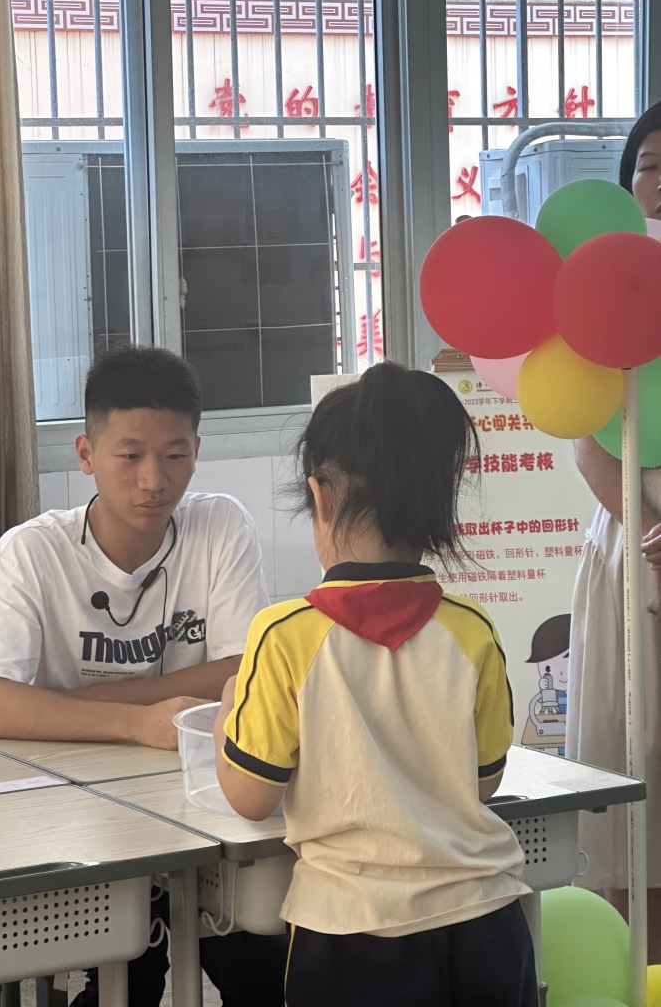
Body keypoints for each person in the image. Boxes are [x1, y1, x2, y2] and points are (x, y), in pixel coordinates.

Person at [0, 343, 288, 1006]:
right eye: (131, 455)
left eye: (175, 455)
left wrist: (65, 703)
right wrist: (139, 722)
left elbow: (242, 670)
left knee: (262, 964)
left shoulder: (219, 526)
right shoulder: (28, 555)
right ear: (86, 454)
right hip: (71, 812)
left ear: (197, 450)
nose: (153, 480)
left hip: (196, 803)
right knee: (122, 971)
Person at [213, 361, 537, 1007]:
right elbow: (483, 781)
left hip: (351, 932)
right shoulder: (472, 629)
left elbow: (250, 795)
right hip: (486, 920)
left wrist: (228, 715)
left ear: (322, 498)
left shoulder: (284, 635)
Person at [567, 99, 661, 961]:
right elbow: (582, 433)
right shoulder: (601, 295)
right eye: (650, 166)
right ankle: (640, 968)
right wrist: (649, 522)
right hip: (633, 549)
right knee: (632, 767)